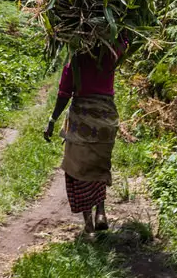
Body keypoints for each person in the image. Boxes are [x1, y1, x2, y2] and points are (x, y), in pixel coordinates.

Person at [43, 40, 125, 233]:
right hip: (106, 117)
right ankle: (101, 212)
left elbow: (64, 93)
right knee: (99, 165)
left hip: (82, 121)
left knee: (78, 170)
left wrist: (52, 120)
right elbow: (125, 39)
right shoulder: (112, 54)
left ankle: (88, 220)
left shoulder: (76, 59)